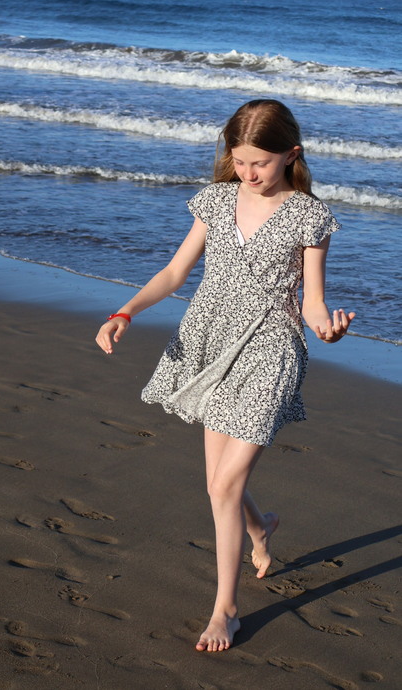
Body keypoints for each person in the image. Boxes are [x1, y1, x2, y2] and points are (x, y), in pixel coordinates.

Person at [95, 99, 355, 653]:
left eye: (259, 162)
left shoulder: (310, 216)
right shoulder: (215, 200)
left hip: (271, 348)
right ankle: (261, 531)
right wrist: (124, 313)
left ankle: (227, 610)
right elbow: (173, 272)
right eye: (239, 161)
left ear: (291, 154)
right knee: (218, 485)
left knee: (223, 485)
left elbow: (312, 303)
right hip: (210, 343)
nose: (248, 173)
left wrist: (326, 330)